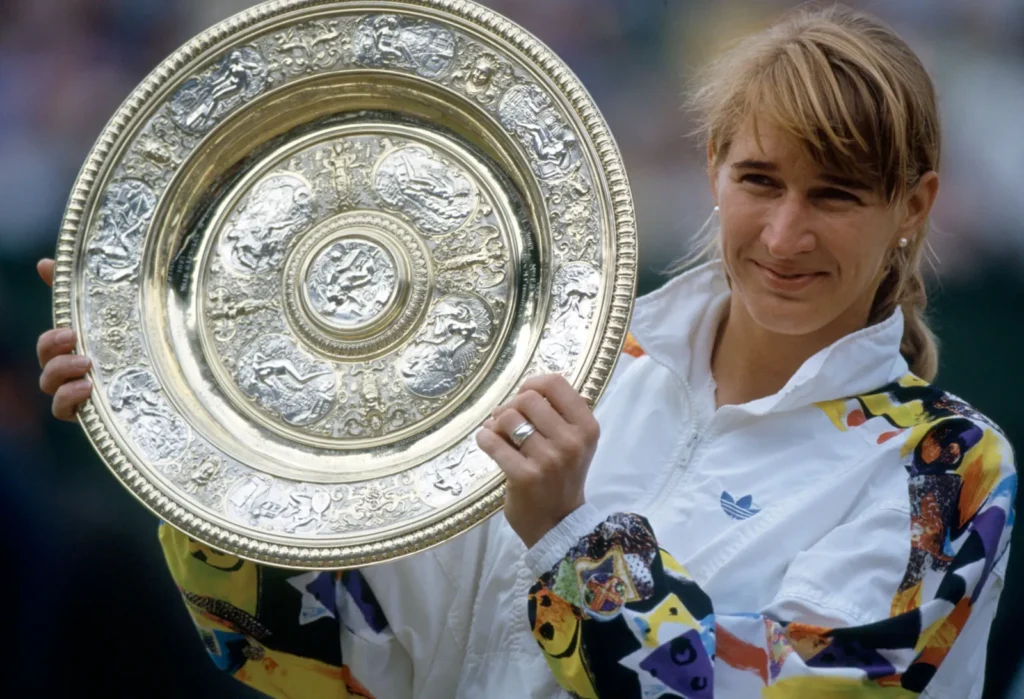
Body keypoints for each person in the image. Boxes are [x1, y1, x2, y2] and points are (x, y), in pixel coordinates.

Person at [36, 5, 1016, 698]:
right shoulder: (561, 362)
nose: (784, 235)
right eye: (759, 180)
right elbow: (337, 656)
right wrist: (185, 437)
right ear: (712, 168)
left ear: (912, 207)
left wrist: (573, 539)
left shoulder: (945, 475)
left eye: (837, 195)